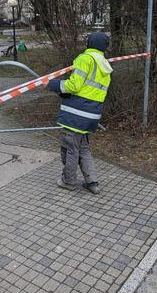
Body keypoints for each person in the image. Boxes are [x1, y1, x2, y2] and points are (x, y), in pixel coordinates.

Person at [46, 32, 113, 195]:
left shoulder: (85, 59)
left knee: (70, 149)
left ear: (89, 43)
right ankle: (92, 182)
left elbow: (74, 86)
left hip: (75, 115)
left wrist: (54, 85)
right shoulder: (104, 65)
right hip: (91, 116)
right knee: (83, 148)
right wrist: (65, 92)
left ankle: (68, 181)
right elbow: (87, 90)